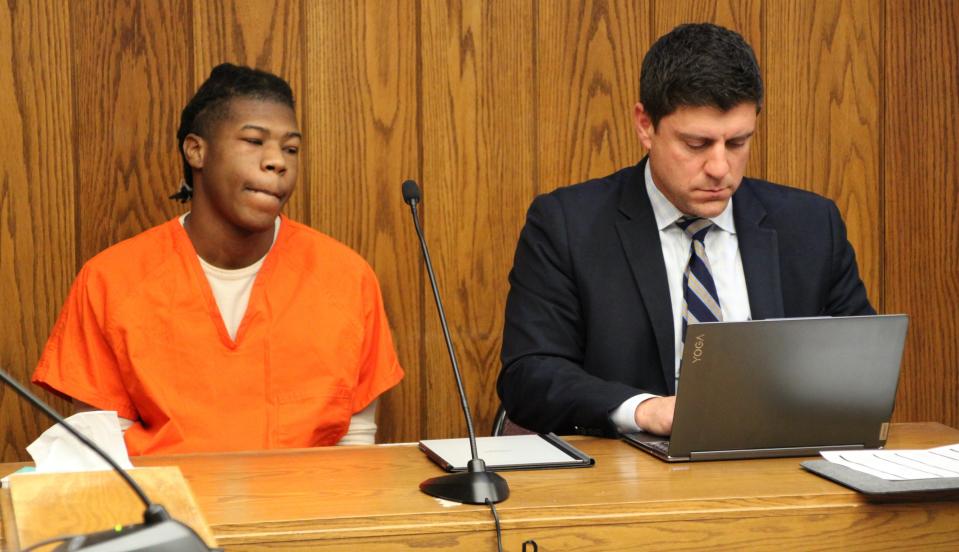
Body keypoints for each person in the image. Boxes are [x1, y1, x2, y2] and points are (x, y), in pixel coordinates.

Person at [497, 23, 873, 437]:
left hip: (780, 467)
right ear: (645, 125)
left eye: (737, 143)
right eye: (696, 145)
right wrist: (643, 411)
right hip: (632, 479)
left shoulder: (810, 225)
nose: (719, 168)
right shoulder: (569, 226)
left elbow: (862, 368)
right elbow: (530, 375)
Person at [33, 64, 404, 454]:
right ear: (196, 150)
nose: (278, 161)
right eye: (255, 141)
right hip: (166, 511)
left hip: (306, 512)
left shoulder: (346, 277)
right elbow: (105, 456)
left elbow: (356, 445)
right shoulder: (110, 280)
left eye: (290, 148)